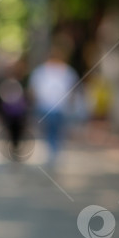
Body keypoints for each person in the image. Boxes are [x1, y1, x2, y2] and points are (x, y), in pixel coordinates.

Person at [28, 40, 79, 169]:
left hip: (51, 107)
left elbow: (33, 90)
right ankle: (54, 152)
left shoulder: (41, 71)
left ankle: (52, 153)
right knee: (55, 132)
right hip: (53, 108)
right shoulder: (67, 71)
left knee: (51, 131)